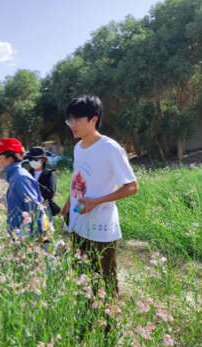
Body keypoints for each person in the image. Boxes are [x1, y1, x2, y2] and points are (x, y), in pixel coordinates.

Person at [61, 95, 138, 298]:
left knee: (105, 281)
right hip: (78, 222)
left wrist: (96, 202)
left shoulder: (110, 148)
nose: (72, 125)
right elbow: (79, 177)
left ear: (93, 119)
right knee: (82, 277)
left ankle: (107, 327)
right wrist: (69, 201)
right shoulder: (78, 148)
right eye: (70, 120)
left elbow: (132, 187)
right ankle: (86, 324)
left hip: (101, 228)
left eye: (77, 119)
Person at [0, 138, 51, 240]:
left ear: (10, 158)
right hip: (19, 235)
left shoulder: (20, 178)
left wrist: (23, 236)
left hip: (27, 238)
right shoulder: (14, 176)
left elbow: (35, 209)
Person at [22, 147, 60, 219]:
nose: (32, 161)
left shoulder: (50, 174)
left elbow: (50, 194)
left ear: (43, 160)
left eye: (35, 159)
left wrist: (35, 183)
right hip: (30, 209)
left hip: (45, 209)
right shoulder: (28, 174)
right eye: (30, 159)